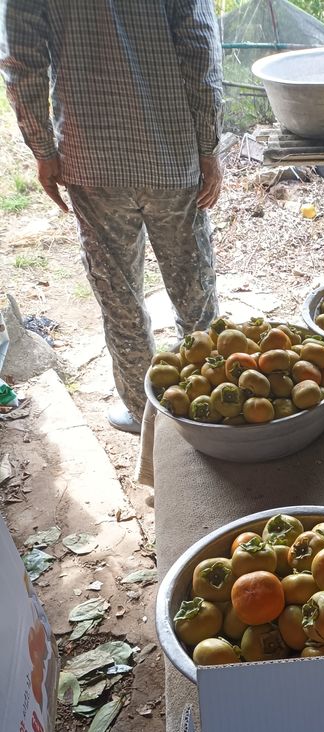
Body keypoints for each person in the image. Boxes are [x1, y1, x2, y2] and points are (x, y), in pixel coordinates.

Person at [0, 1, 224, 434]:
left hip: (92, 161)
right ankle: (209, 406)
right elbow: (199, 49)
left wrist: (43, 150)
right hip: (171, 154)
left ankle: (147, 418)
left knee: (120, 300)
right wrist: (208, 146)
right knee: (194, 291)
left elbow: (21, 60)